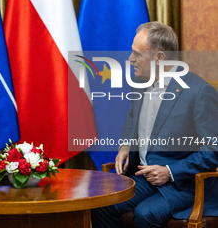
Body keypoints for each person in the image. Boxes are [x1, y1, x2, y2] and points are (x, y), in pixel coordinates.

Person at [91, 21, 218, 228]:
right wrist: (125, 144)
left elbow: (213, 150)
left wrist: (169, 171)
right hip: (144, 177)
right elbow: (133, 116)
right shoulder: (140, 83)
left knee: (144, 214)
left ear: (159, 58)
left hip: (184, 184)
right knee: (103, 204)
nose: (131, 59)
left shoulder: (199, 92)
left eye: (137, 54)